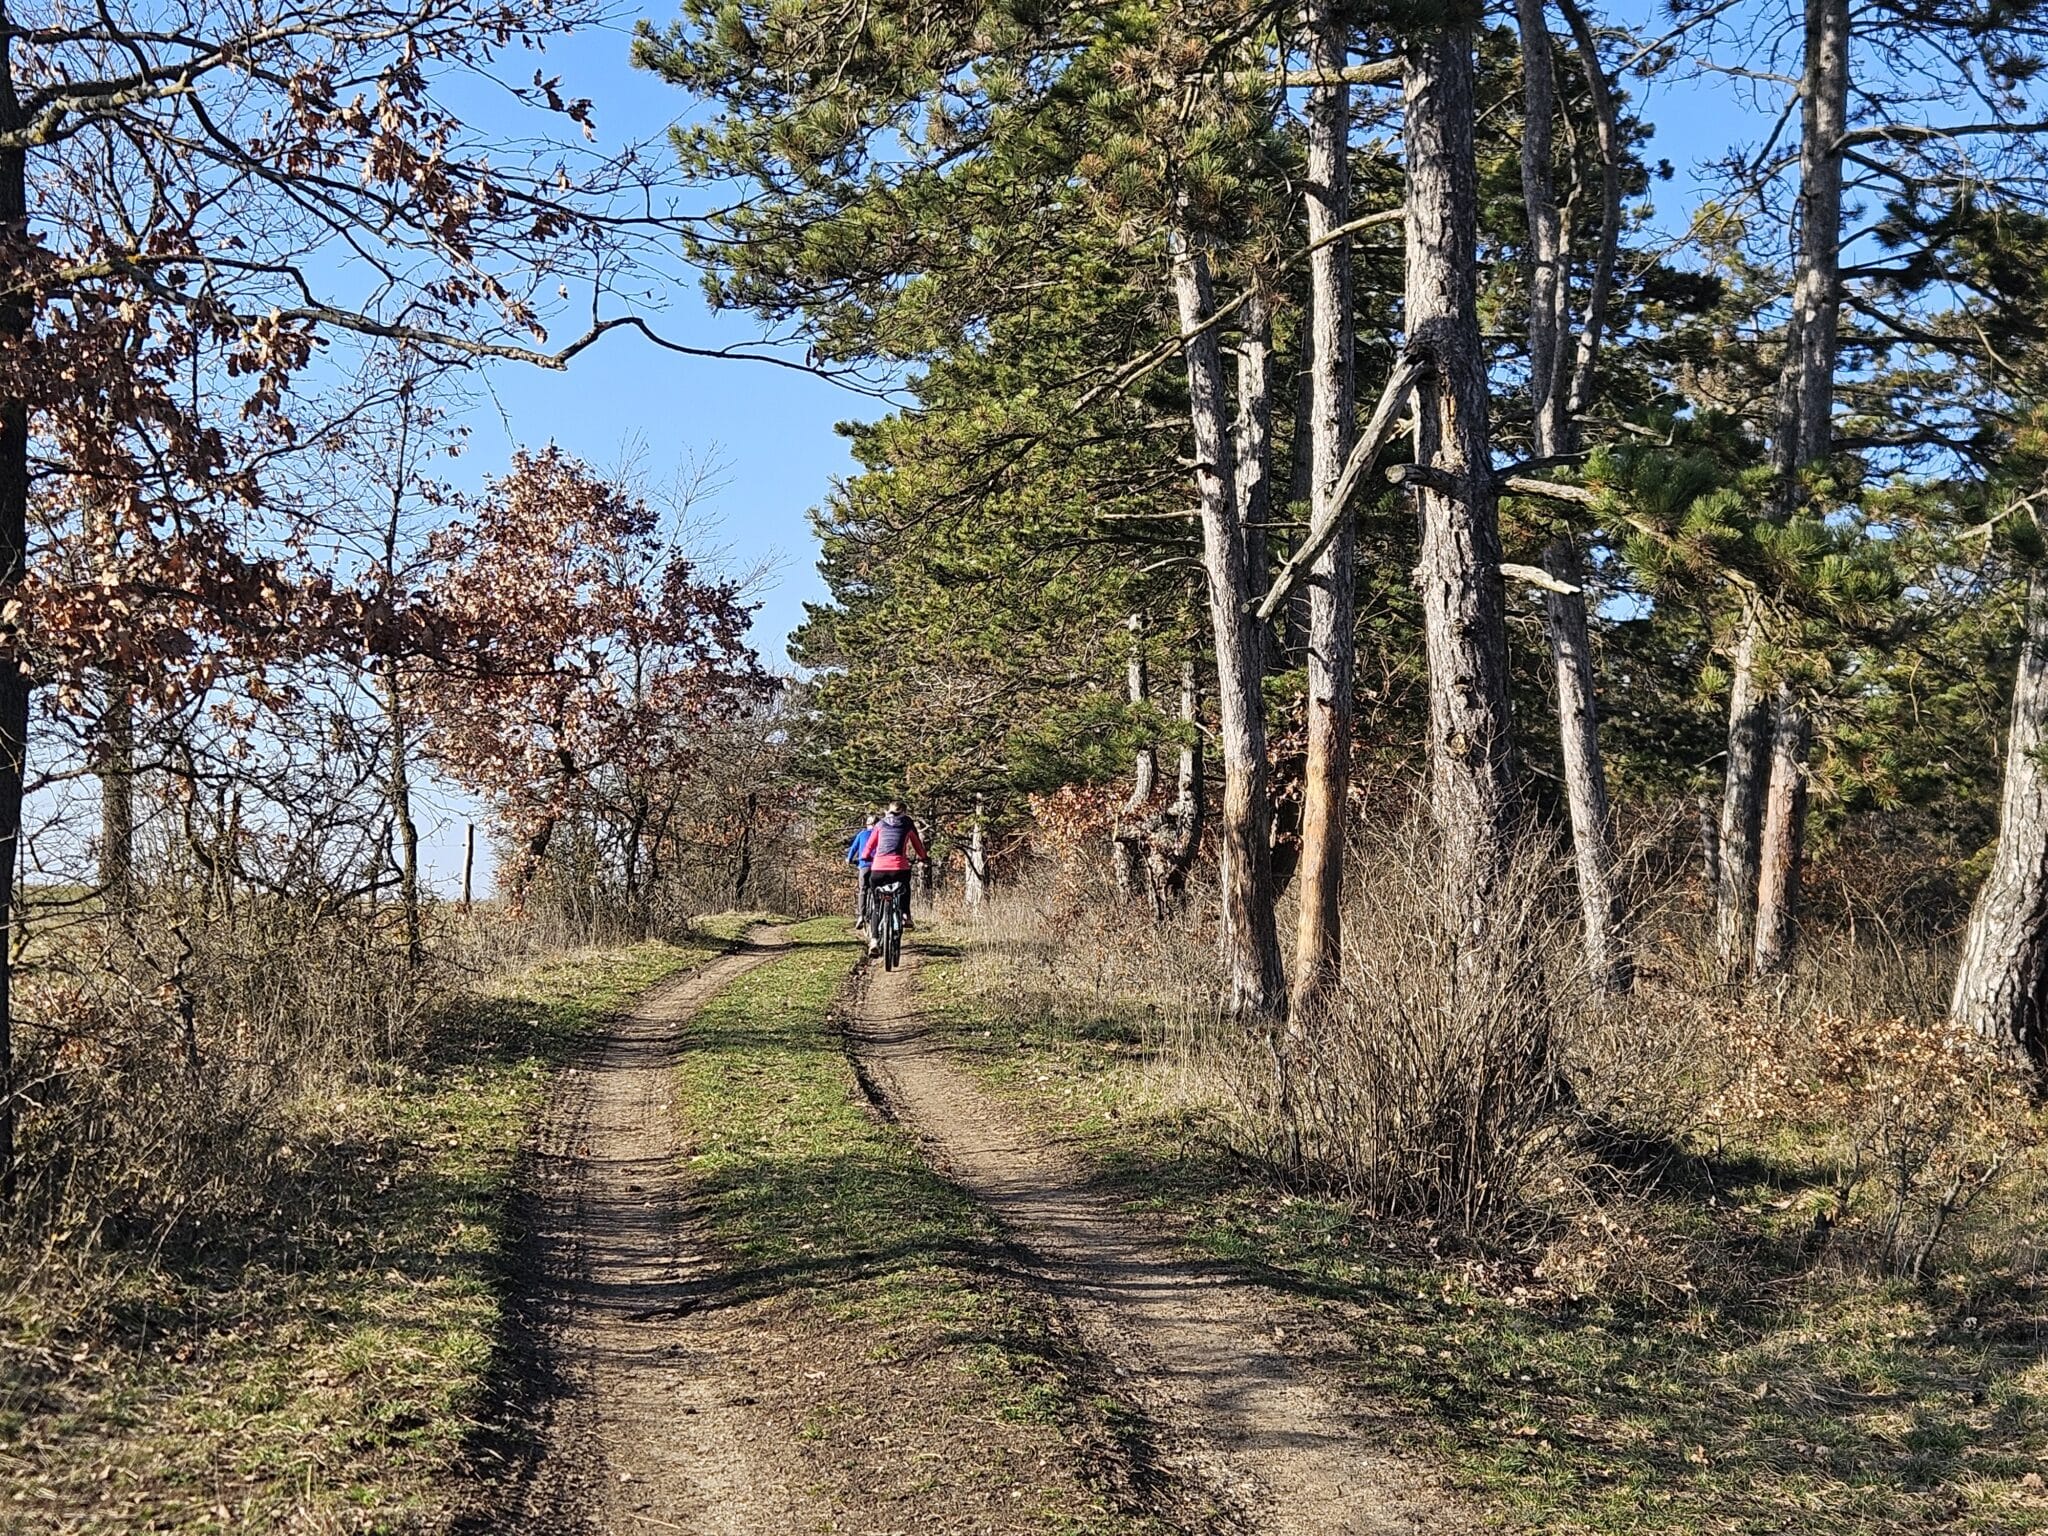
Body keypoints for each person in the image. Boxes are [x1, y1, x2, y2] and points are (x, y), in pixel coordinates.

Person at [858, 799, 927, 957]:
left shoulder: (880, 824)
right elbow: (918, 845)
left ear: (888, 810)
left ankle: (874, 941)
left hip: (878, 870)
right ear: (904, 811)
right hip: (898, 869)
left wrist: (864, 857)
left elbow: (869, 847)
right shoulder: (907, 823)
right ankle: (906, 916)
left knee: (876, 906)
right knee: (905, 887)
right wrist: (923, 858)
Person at [845, 811, 879, 932]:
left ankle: (861, 915)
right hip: (878, 866)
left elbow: (853, 848)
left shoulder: (862, 834)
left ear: (867, 824)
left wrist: (849, 859)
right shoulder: (880, 834)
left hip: (864, 865)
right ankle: (880, 911)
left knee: (863, 889)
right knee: (878, 889)